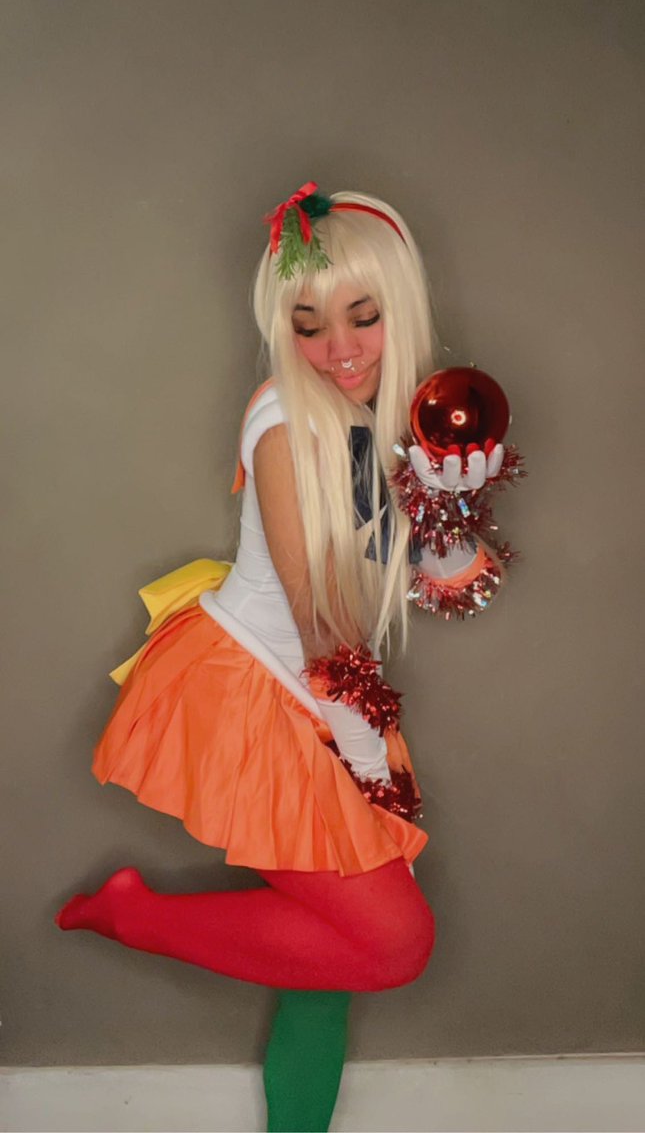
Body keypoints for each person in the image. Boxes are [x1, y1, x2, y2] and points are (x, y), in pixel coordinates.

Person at [56, 183, 511, 1132]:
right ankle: (132, 915)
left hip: (332, 699)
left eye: (362, 316)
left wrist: (449, 505)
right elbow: (318, 624)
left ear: (399, 307)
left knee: (330, 958)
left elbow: (451, 586)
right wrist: (366, 764)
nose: (338, 348)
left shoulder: (398, 421)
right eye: (308, 326)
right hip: (262, 694)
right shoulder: (284, 422)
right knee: (390, 945)